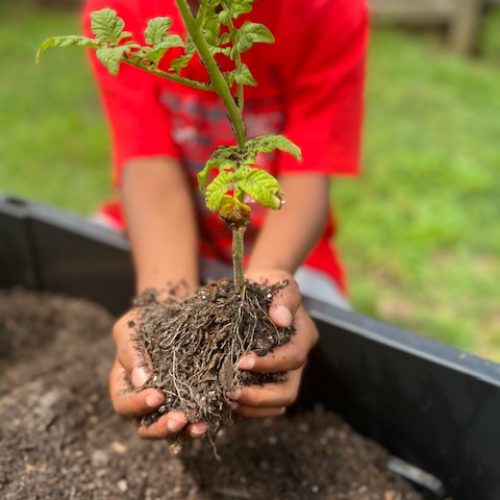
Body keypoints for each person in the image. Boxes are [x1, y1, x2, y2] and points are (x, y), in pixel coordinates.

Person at [83, 0, 368, 440]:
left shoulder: (329, 10)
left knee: (336, 350)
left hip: (283, 241)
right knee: (87, 261)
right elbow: (149, 173)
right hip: (157, 230)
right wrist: (159, 306)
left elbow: (305, 180)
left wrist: (264, 298)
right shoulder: (120, 14)